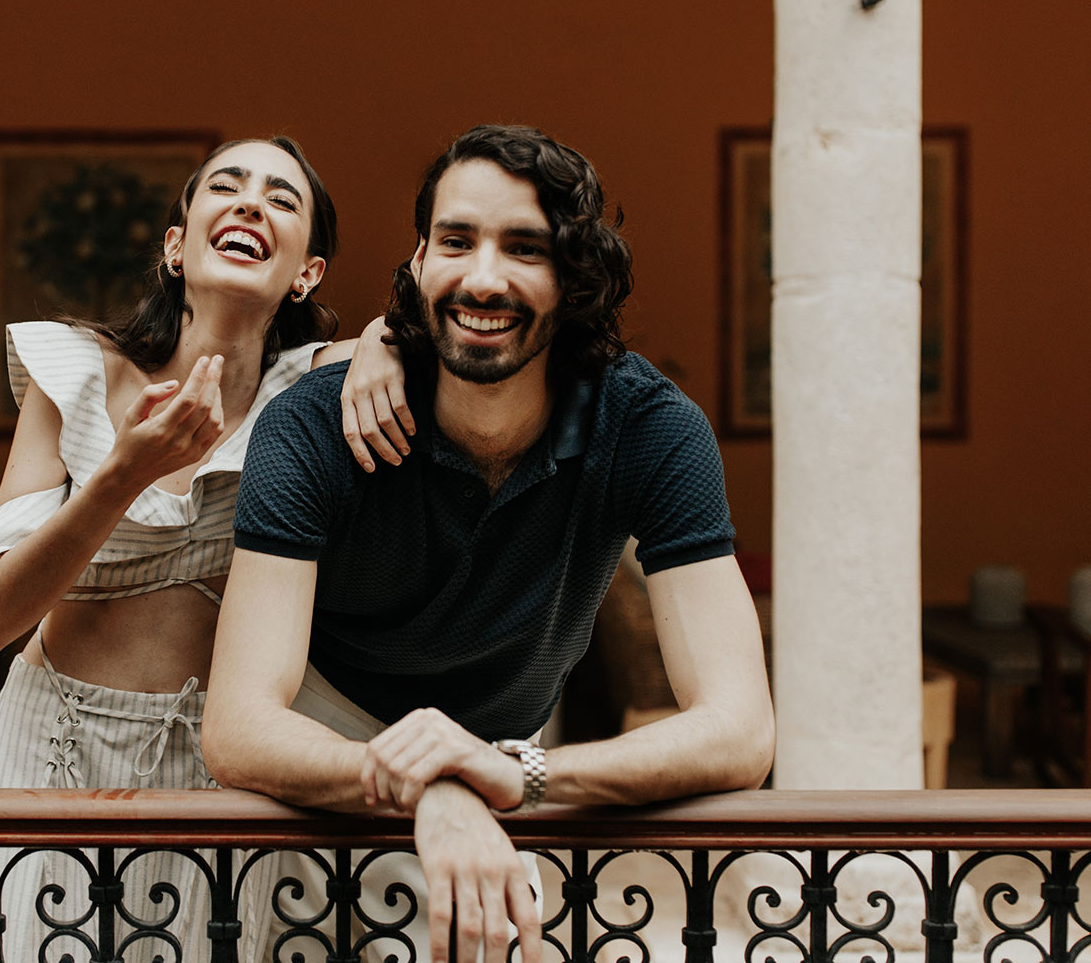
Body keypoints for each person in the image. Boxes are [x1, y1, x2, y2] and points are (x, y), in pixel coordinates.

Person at [202, 124, 776, 963]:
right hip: (317, 754)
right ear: (419, 264)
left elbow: (740, 731)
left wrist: (515, 774)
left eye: (524, 248)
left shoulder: (649, 430)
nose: (482, 277)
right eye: (457, 241)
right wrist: (430, 782)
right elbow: (240, 725)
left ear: (574, 278)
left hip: (506, 747)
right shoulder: (313, 425)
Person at [0, 136, 409, 962]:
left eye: (282, 200)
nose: (251, 202)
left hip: (219, 769)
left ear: (307, 273)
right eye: (226, 186)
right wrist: (122, 472)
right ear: (175, 244)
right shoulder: (76, 372)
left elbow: (437, 334)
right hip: (51, 749)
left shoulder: (311, 393)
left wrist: (383, 341)